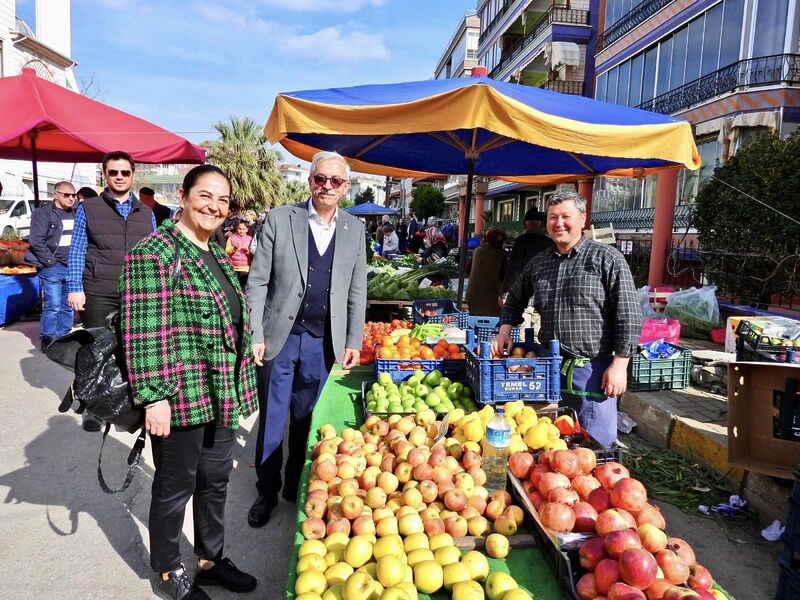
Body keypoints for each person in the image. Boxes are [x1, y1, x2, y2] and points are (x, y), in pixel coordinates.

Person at [120, 164, 258, 600]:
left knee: (214, 481)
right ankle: (166, 570)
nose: (214, 206)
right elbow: (142, 332)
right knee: (175, 486)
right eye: (205, 195)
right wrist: (154, 398)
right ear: (182, 196)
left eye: (222, 200)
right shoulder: (156, 252)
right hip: (180, 393)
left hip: (221, 389)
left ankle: (210, 560)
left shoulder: (214, 250)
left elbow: (228, 309)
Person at [246, 150, 366, 527]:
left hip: (322, 341)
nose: (326, 186)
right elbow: (258, 281)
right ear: (310, 181)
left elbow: (357, 290)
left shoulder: (354, 229)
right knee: (273, 417)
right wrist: (255, 332)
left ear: (345, 187)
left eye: (335, 181)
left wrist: (353, 339)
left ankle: (294, 485)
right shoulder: (281, 220)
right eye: (320, 179)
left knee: (305, 418)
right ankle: (266, 491)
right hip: (280, 338)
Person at [493, 191, 641, 448]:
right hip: (548, 369)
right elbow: (515, 298)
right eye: (552, 217)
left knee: (592, 448)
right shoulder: (539, 263)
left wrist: (620, 364)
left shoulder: (607, 259)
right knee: (550, 444)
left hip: (593, 371)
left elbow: (628, 313)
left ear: (582, 219)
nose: (558, 223)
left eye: (565, 216)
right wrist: (504, 331)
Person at [66, 150, 156, 432]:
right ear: (104, 174)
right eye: (113, 172)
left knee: (132, 348)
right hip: (99, 288)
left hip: (136, 291)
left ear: (133, 175)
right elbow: (78, 249)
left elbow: (153, 252)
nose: (119, 177)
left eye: (125, 172)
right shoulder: (89, 208)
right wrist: (75, 287)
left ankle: (124, 404)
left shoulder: (147, 212)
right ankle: (92, 407)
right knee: (95, 350)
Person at [24, 181, 76, 350]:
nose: (71, 199)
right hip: (53, 265)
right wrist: (50, 262)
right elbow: (36, 241)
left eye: (73, 195)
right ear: (56, 194)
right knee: (53, 305)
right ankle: (48, 337)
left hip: (72, 266)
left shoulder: (76, 213)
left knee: (68, 304)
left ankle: (63, 335)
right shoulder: (43, 213)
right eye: (67, 195)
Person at [500, 207, 553, 297]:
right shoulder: (548, 242)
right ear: (542, 225)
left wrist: (506, 291)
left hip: (524, 289)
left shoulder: (521, 241)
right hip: (544, 288)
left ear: (525, 225)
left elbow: (514, 267)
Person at [465, 228, 508, 317]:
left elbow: (467, 268)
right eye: (504, 242)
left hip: (472, 297)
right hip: (491, 300)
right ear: (498, 243)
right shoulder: (502, 255)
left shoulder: (477, 251)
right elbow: (505, 277)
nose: (505, 244)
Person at [226, 221, 252, 288]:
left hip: (245, 268)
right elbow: (227, 251)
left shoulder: (250, 239)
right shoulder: (232, 237)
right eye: (240, 229)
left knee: (243, 287)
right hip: (234, 267)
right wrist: (234, 248)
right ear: (237, 228)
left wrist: (248, 251)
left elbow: (253, 254)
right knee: (234, 287)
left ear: (247, 229)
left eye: (244, 229)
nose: (241, 231)